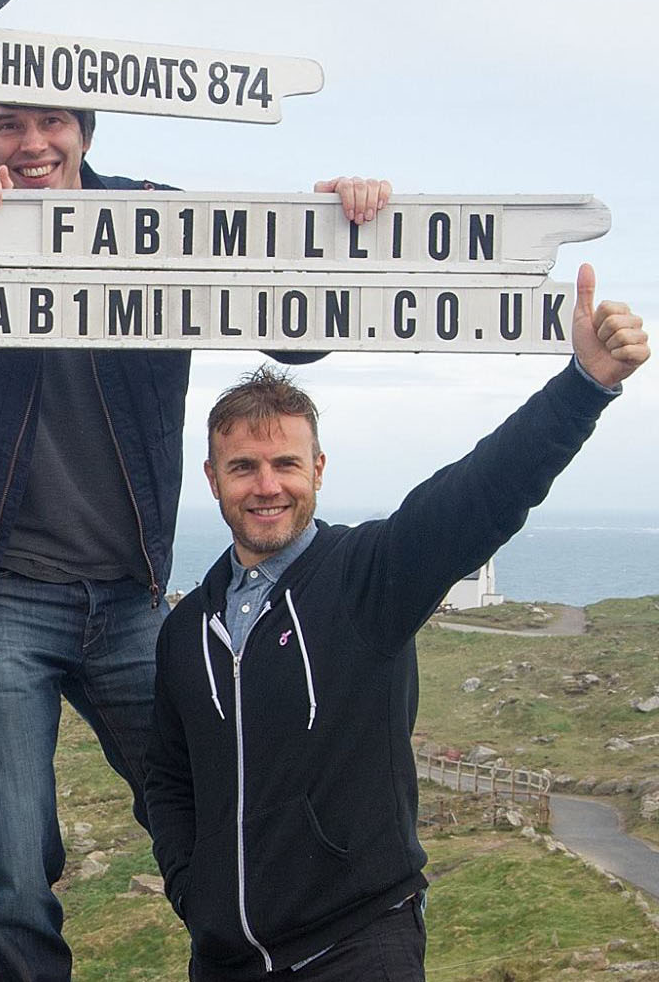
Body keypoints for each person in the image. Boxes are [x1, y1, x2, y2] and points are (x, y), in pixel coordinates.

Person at [0, 101, 392, 982]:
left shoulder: (156, 219)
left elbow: (295, 337)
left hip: (132, 599)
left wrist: (343, 232)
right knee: (14, 869)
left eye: (50, 123)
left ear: (86, 133)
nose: (31, 145)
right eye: (5, 128)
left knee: (218, 808)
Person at [145, 265, 648, 981]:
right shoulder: (185, 629)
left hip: (357, 946)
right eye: (244, 467)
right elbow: (166, 774)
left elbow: (482, 491)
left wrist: (584, 386)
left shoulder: (368, 576)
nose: (266, 486)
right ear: (212, 479)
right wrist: (191, 888)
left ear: (318, 469)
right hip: (224, 960)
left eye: (286, 463)